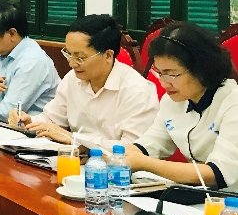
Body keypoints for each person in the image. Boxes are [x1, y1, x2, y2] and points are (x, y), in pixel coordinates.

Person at [11, 14, 159, 150]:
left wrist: (75, 139)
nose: (72, 63)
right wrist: (29, 121)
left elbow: (132, 149)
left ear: (108, 55)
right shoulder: (73, 78)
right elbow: (52, 119)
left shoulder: (137, 91)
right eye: (69, 54)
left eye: (80, 57)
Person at [125, 22, 238, 190]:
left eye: (171, 74)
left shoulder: (232, 102)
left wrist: (145, 163)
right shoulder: (173, 100)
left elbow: (216, 173)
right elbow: (149, 144)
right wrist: (118, 156)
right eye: (159, 73)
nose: (163, 83)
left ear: (201, 69)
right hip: (198, 195)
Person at [0, 1, 60, 122]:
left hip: (32, 131)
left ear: (12, 34)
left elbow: (9, 112)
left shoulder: (32, 61)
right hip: (3, 126)